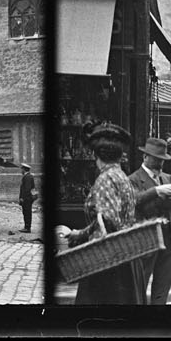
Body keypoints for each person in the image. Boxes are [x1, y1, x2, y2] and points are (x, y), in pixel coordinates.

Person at [59, 123, 145, 304]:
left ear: (96, 156)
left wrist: (80, 234)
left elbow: (106, 220)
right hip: (126, 255)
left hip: (107, 262)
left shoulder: (105, 179)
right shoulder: (122, 177)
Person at [130, 136, 171, 305]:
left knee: (163, 285)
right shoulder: (133, 179)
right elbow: (133, 201)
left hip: (169, 238)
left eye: (162, 160)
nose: (160, 163)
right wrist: (156, 190)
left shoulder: (168, 178)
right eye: (156, 159)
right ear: (145, 157)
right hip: (147, 238)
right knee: (141, 282)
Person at [17, 163, 36, 233]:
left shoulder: (27, 177)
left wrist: (23, 198)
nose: (21, 170)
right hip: (28, 198)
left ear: (24, 169)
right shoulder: (29, 176)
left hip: (27, 199)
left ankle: (27, 228)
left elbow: (27, 189)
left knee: (27, 212)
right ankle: (27, 227)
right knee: (27, 212)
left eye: (22, 169)